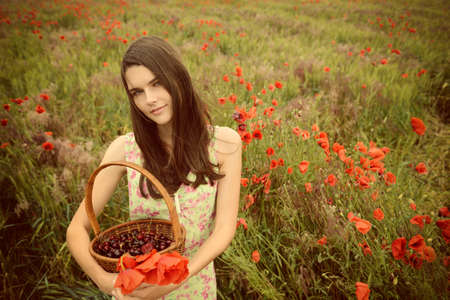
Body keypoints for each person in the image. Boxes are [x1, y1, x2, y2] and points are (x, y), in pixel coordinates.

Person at [66, 36, 242, 300]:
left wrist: (179, 277)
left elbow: (224, 229)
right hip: (138, 292)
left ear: (178, 78)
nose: (149, 99)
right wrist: (104, 280)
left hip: (197, 286)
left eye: (156, 84)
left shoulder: (224, 144)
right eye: (137, 92)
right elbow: (76, 228)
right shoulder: (125, 149)